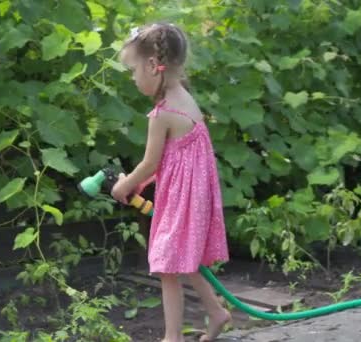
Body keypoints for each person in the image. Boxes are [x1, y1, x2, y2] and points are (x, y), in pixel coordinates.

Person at [111, 23, 231, 342]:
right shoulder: (186, 100)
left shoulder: (161, 114)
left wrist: (125, 186)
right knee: (182, 259)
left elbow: (150, 162)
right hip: (194, 198)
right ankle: (217, 312)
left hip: (182, 200)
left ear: (152, 66)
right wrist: (143, 182)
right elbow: (169, 160)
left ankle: (172, 337)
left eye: (134, 71)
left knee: (166, 263)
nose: (134, 79)